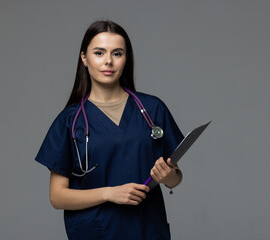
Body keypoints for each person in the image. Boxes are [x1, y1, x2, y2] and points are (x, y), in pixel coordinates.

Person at [35, 20, 184, 240]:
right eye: (99, 53)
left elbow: (175, 178)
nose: (108, 61)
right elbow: (57, 197)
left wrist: (169, 176)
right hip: (98, 232)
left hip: (147, 229)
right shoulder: (70, 120)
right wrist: (109, 193)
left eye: (117, 53)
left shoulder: (153, 109)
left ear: (126, 59)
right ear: (84, 58)